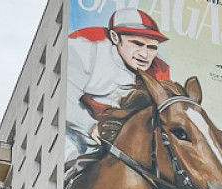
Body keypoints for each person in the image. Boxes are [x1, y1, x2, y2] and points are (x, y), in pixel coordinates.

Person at [64, 9, 171, 176]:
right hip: (75, 130)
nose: (144, 54)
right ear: (115, 38)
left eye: (151, 47)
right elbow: (65, 99)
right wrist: (90, 126)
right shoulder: (82, 47)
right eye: (137, 43)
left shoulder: (160, 70)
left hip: (119, 137)